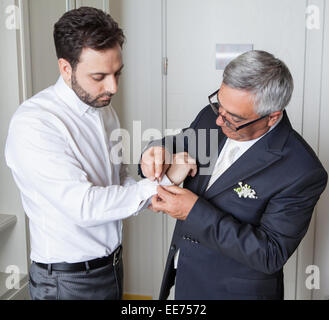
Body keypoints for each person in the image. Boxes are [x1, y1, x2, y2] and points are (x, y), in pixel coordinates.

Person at [5, 7, 196, 300]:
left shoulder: (103, 110)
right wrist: (158, 185)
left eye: (117, 73)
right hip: (66, 282)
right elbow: (85, 206)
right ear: (66, 68)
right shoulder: (35, 123)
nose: (113, 87)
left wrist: (167, 181)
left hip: (111, 268)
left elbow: (117, 186)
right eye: (99, 76)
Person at [140, 50, 328, 300]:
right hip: (186, 278)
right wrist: (154, 151)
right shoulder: (213, 116)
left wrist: (193, 212)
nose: (219, 121)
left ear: (272, 117)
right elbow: (172, 145)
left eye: (234, 118)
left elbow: (270, 254)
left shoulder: (302, 171)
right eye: (219, 105)